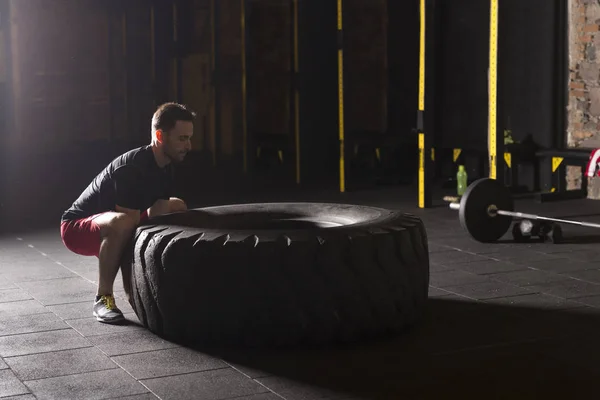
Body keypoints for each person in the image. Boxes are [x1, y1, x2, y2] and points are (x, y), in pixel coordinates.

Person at [60, 102, 195, 324]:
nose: (189, 145)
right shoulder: (132, 168)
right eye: (182, 138)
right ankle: (103, 299)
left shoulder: (167, 165)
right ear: (160, 136)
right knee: (124, 224)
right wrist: (136, 294)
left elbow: (158, 213)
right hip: (76, 227)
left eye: (189, 138)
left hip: (119, 220)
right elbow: (129, 230)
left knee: (176, 205)